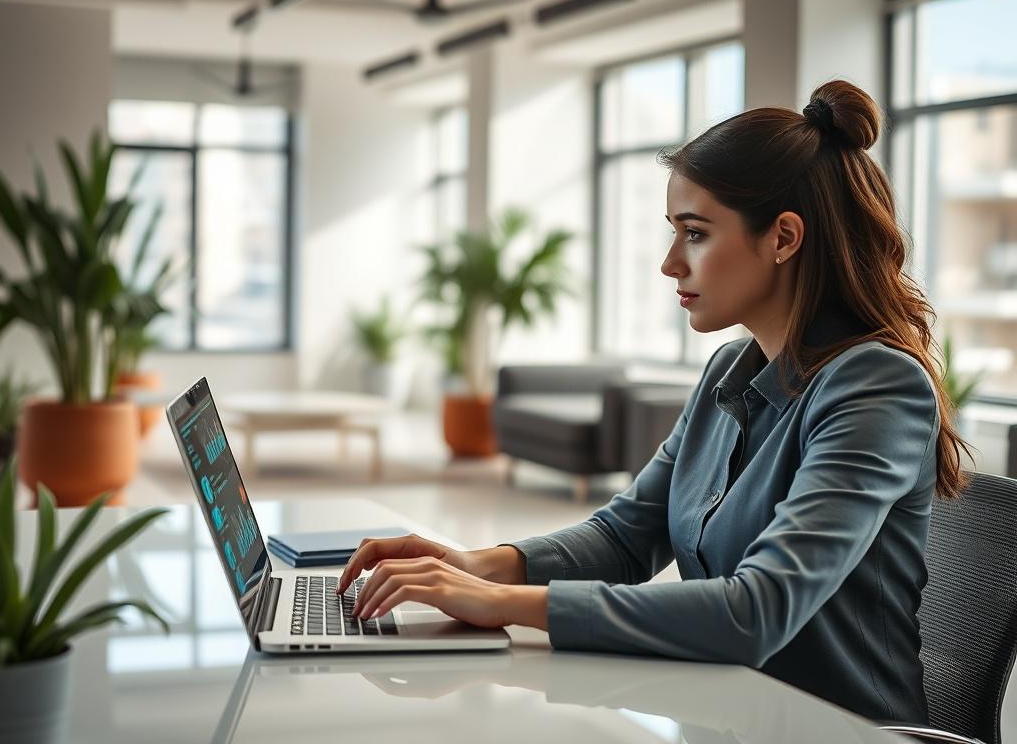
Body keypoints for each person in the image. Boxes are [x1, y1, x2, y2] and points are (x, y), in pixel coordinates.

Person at [336, 79, 974, 725]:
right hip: (723, 714)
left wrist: (498, 604)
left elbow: (754, 612)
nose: (670, 263)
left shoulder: (876, 386)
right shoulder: (730, 370)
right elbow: (625, 535)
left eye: (695, 234)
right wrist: (477, 565)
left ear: (783, 238)